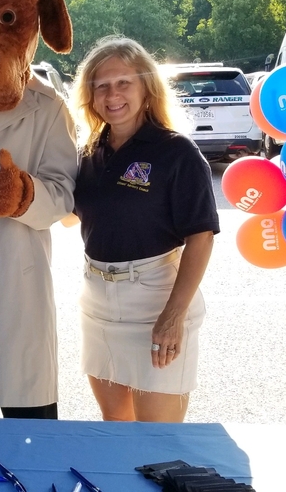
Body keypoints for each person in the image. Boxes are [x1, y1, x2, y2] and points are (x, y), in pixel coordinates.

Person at [69, 36, 219, 423]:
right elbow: (70, 214)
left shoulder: (177, 152)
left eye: (124, 83)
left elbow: (200, 237)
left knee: (158, 441)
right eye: (101, 85)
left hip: (155, 301)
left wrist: (173, 315)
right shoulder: (88, 153)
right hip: (97, 304)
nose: (112, 94)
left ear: (147, 89)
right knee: (116, 429)